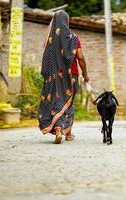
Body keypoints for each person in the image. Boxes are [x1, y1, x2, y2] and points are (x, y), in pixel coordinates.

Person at [38, 10, 89, 144]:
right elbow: (80, 57)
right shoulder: (73, 38)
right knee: (68, 102)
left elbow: (46, 60)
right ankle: (68, 133)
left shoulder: (50, 41)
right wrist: (85, 73)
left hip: (54, 78)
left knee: (55, 101)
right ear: (66, 21)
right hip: (71, 77)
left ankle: (58, 129)